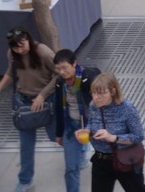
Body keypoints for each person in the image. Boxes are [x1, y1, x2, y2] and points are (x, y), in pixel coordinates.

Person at [0, 29, 56, 192]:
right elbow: (11, 73)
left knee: (58, 136)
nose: (21, 50)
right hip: (25, 103)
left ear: (28, 39)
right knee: (26, 145)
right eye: (16, 48)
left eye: (22, 45)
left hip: (47, 101)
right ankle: (25, 180)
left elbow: (59, 74)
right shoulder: (12, 54)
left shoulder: (43, 52)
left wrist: (42, 95)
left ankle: (80, 149)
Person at [87, 72, 145, 191]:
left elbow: (138, 136)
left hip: (125, 160)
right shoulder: (93, 106)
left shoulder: (126, 108)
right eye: (93, 93)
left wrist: (113, 138)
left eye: (100, 93)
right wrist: (86, 130)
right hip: (101, 160)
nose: (96, 97)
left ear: (112, 91)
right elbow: (90, 123)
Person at [51, 49, 101, 192]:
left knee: (110, 159)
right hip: (71, 127)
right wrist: (59, 133)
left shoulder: (89, 76)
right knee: (71, 167)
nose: (61, 72)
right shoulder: (60, 82)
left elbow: (105, 99)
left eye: (64, 68)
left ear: (74, 63)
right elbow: (59, 108)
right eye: (58, 69)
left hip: (93, 124)